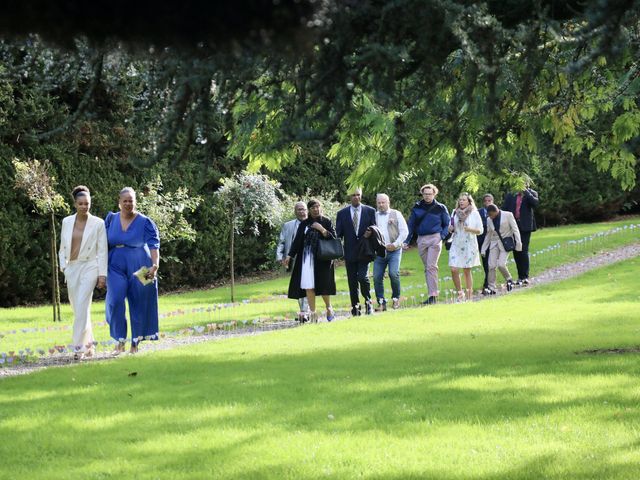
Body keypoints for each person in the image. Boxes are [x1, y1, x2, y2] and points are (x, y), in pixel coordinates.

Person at [105, 187, 160, 354]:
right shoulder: (111, 219)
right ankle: (119, 340)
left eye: (131, 200)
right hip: (115, 264)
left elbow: (153, 244)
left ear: (135, 202)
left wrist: (155, 265)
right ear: (119, 202)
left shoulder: (145, 221)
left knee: (139, 303)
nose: (128, 203)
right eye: (125, 201)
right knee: (115, 300)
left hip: (140, 264)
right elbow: (101, 243)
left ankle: (135, 343)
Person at [58, 186, 108, 360]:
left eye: (87, 203)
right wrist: (63, 266)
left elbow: (102, 250)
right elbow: (62, 247)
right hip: (71, 267)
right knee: (78, 307)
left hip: (90, 266)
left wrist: (102, 274)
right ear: (75, 204)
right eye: (81, 204)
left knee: (81, 305)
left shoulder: (98, 223)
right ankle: (89, 344)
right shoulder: (66, 221)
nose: (84, 207)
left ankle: (78, 349)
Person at [284, 199, 336, 322]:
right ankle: (313, 313)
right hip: (307, 259)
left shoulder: (326, 221)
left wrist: (322, 229)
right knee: (309, 286)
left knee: (323, 286)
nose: (316, 209)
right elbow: (297, 241)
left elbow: (334, 238)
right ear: (309, 210)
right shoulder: (304, 224)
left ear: (321, 208)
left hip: (323, 259)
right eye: (313, 207)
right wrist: (289, 255)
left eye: (318, 207)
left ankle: (329, 308)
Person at [404, 184, 451, 305]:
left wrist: (441, 236)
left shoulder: (441, 207)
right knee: (428, 268)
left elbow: (447, 224)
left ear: (434, 194)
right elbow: (411, 225)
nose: (427, 196)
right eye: (425, 194)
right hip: (421, 239)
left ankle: (433, 296)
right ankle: (432, 293)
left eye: (430, 194)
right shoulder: (417, 207)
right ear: (422, 194)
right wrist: (407, 240)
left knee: (431, 266)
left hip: (435, 238)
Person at [336, 187, 377, 316]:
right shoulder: (342, 213)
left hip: (365, 250)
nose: (356, 197)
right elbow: (338, 234)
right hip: (350, 251)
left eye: (358, 195)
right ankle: (355, 307)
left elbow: (376, 228)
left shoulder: (370, 211)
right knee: (352, 281)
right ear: (349, 197)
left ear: (361, 196)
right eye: (353, 195)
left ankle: (368, 302)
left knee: (362, 277)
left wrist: (371, 232)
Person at [373, 193, 408, 311]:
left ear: (388, 202)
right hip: (379, 251)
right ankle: (381, 302)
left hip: (395, 250)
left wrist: (395, 244)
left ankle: (396, 299)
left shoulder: (396, 214)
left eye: (383, 202)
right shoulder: (374, 216)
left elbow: (404, 232)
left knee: (393, 273)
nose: (381, 205)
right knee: (377, 276)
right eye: (379, 202)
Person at [276, 201, 310, 321]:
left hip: (309, 259)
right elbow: (281, 242)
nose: (302, 212)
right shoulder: (288, 225)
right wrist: (280, 257)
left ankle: (305, 311)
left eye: (304, 209)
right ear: (295, 211)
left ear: (307, 210)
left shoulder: (313, 223)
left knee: (308, 285)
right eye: (299, 209)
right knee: (298, 286)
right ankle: (303, 311)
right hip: (294, 260)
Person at [448, 193, 483, 301]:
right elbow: (451, 227)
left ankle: (469, 295)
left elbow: (480, 231)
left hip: (469, 244)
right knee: (454, 269)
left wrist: (469, 229)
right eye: (460, 200)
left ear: (469, 201)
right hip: (456, 243)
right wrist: (450, 228)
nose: (461, 202)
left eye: (464, 200)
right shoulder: (454, 212)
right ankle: (460, 293)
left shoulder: (474, 213)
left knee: (466, 270)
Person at [480, 204, 522, 294]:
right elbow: (488, 234)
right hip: (494, 243)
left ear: (496, 211)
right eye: (489, 215)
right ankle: (491, 287)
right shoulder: (489, 220)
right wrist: (483, 248)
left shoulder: (508, 215)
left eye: (491, 215)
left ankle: (509, 279)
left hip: (506, 243)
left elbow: (515, 229)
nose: (490, 217)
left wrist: (518, 243)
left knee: (501, 264)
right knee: (491, 265)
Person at [502, 185, 539, 285]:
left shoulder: (531, 193)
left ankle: (525, 276)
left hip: (525, 226)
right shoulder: (511, 195)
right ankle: (520, 276)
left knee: (523, 250)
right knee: (516, 251)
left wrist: (526, 191)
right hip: (513, 226)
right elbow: (504, 209)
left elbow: (535, 203)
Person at [477, 194, 494, 292]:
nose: (488, 202)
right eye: (486, 201)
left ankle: (488, 284)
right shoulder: (478, 212)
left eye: (490, 200)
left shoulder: (496, 212)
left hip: (493, 241)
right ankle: (488, 283)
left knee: (491, 263)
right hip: (482, 241)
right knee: (486, 263)